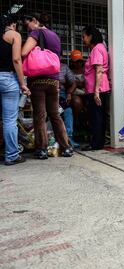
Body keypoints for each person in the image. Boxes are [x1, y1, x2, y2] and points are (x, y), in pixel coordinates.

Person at [22, 12, 73, 159]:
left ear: (35, 21)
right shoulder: (55, 36)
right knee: (55, 115)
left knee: (40, 116)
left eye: (28, 24)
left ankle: (42, 149)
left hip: (38, 81)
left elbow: (24, 52)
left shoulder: (36, 32)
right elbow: (56, 59)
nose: (28, 28)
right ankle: (66, 147)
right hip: (53, 80)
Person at [0, 14, 30, 165]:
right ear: (12, 24)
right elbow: (16, 59)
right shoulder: (13, 35)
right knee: (9, 120)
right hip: (8, 80)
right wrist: (22, 83)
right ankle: (11, 155)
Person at [81, 26, 111, 150]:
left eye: (84, 36)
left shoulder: (96, 49)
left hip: (98, 89)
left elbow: (99, 70)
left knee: (96, 117)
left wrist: (96, 91)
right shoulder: (100, 48)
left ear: (90, 36)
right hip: (100, 88)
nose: (83, 39)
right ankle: (99, 142)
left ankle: (96, 144)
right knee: (100, 116)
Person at [59, 58, 80, 148]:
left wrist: (69, 93)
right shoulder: (44, 65)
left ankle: (68, 138)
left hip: (61, 94)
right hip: (47, 94)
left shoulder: (64, 67)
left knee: (68, 111)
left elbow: (74, 82)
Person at [69, 49, 86, 129]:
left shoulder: (86, 69)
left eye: (80, 61)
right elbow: (69, 84)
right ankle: (76, 121)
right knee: (77, 102)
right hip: (75, 92)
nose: (79, 63)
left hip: (86, 92)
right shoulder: (70, 71)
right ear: (72, 62)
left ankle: (87, 124)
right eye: (76, 61)